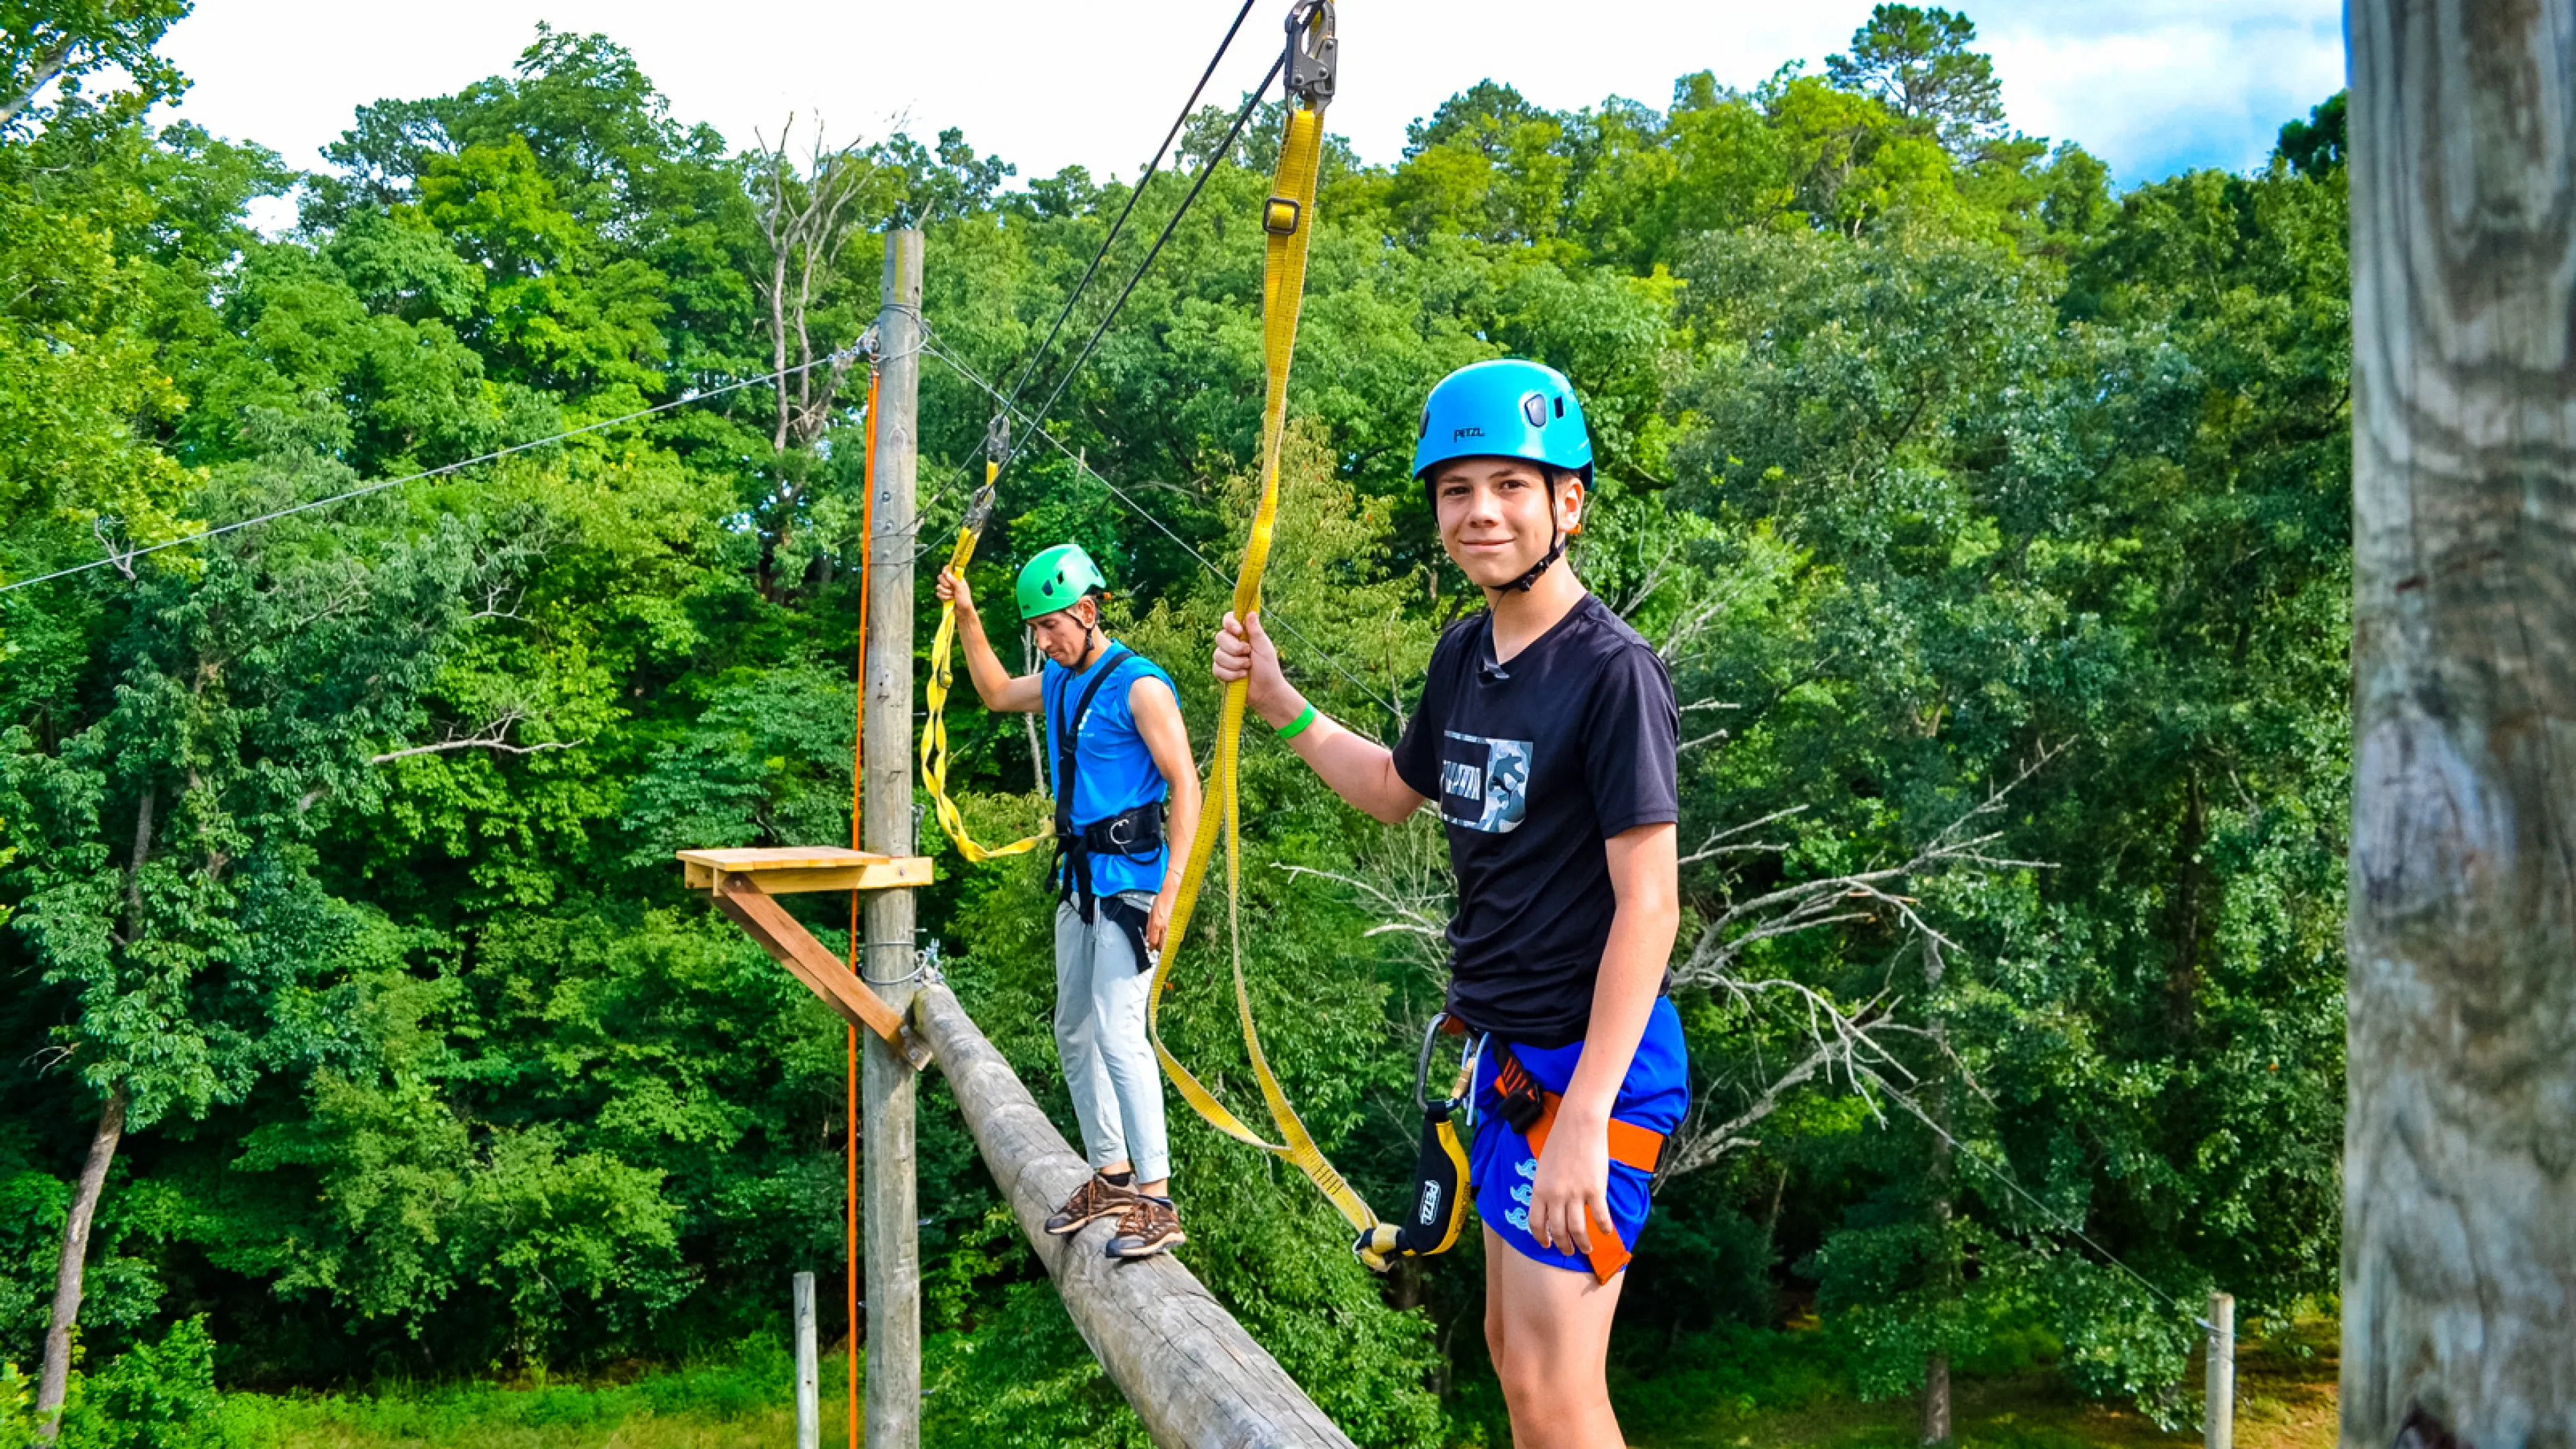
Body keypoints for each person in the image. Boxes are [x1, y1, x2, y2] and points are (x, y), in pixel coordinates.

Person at [1212, 360, 1683, 1447]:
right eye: (1456, 489)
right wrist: (1282, 704)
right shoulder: (1464, 653)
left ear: (1569, 502)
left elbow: (1648, 909)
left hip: (1593, 1072)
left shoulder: (1613, 673)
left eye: (1512, 485)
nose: (1481, 512)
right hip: (1514, 1065)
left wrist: (1581, 1132)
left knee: (1564, 1397)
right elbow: (1392, 791)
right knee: (1519, 1372)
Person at [936, 543, 1201, 1260]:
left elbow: (1188, 787)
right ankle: (1111, 1176)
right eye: (1037, 633)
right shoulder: (1057, 679)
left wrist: (1170, 895)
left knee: (1119, 1030)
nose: (1045, 644)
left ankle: (1157, 1197)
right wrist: (966, 615)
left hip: (1133, 885)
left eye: (1052, 627)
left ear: (1087, 612)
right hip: (1080, 882)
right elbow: (994, 693)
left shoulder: (1141, 687)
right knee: (1074, 1031)